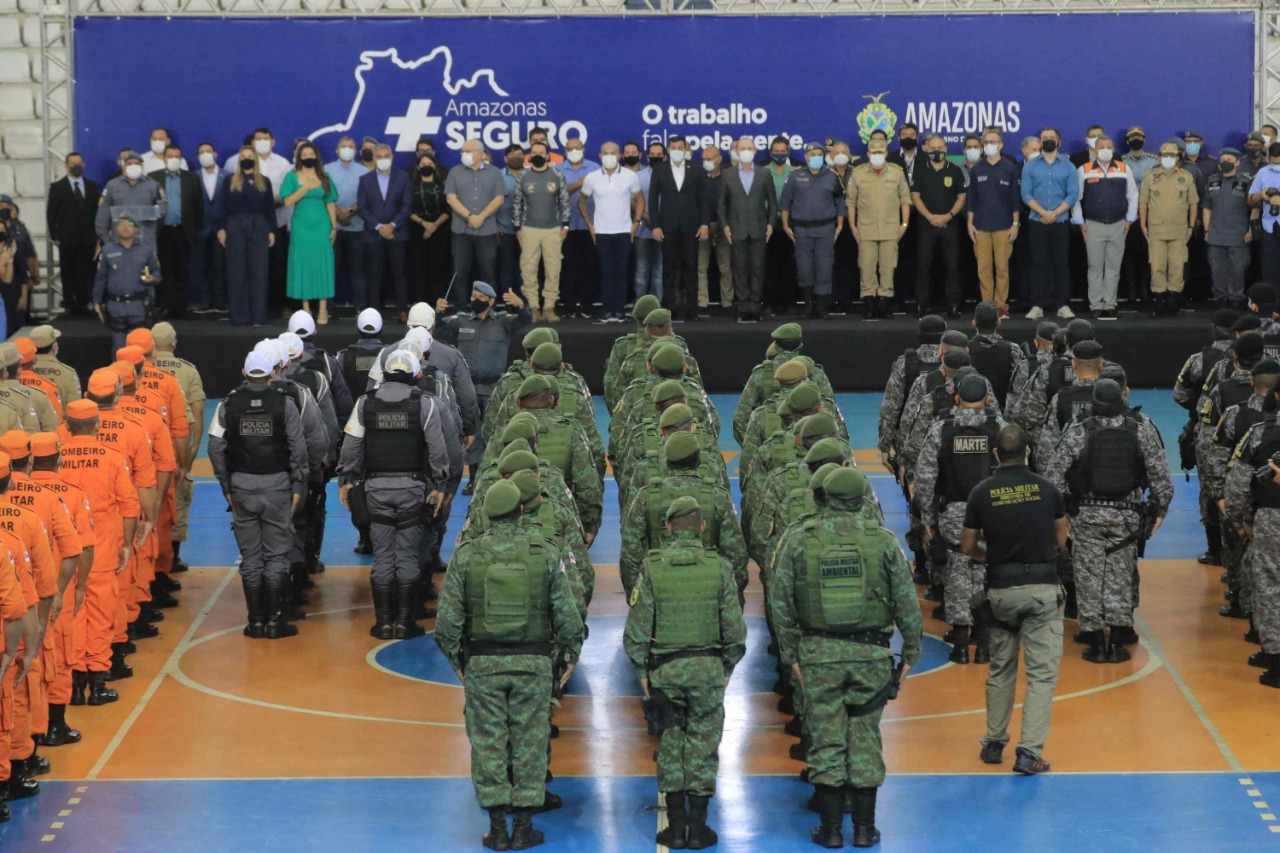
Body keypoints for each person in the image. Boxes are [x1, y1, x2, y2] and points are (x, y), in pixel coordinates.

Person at [770, 466, 922, 849]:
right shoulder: (883, 541)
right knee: (866, 738)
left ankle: (832, 830)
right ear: (862, 499)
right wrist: (910, 653)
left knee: (825, 739)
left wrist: (791, 655)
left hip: (818, 655)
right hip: (871, 655)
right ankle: (866, 829)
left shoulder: (799, 538)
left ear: (823, 495)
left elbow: (781, 600)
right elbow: (906, 601)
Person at [433, 480, 584, 850]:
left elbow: (447, 624)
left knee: (488, 744)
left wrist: (459, 662)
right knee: (530, 742)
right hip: (533, 664)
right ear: (521, 511)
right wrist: (568, 658)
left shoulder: (468, 555)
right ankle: (525, 826)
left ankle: (497, 828)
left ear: (486, 514)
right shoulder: (545, 553)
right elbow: (568, 616)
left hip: (483, 664)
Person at [623, 496, 746, 850]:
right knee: (704, 747)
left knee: (671, 745)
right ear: (702, 527)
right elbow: (734, 632)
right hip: (708, 670)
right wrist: (724, 669)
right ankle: (699, 827)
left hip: (666, 671)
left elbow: (637, 630)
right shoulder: (720, 567)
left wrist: (644, 676)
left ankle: (675, 828)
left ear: (669, 527)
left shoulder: (652, 567)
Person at [960, 424, 1069, 775]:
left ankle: (994, 741)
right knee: (1040, 676)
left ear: (995, 454)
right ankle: (1029, 753)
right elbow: (1061, 538)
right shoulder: (1048, 490)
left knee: (1001, 667)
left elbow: (967, 546)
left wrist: (990, 557)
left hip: (1000, 593)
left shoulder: (981, 493)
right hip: (1041, 592)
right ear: (1028, 452)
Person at [1045, 379, 1173, 663]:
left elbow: (1053, 477)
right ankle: (1117, 640)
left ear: (1094, 401)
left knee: (1088, 575)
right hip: (1127, 516)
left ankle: (1094, 640)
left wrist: (1061, 514)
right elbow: (1161, 478)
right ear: (1122, 398)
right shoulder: (1141, 428)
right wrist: (1159, 511)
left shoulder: (1079, 430)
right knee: (1120, 575)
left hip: (1086, 516)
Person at [338, 348, 450, 639]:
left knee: (383, 556)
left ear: (385, 373)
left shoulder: (365, 403)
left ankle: (384, 623)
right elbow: (437, 449)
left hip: (376, 489)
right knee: (408, 556)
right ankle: (405, 623)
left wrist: (347, 480)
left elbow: (351, 447)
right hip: (412, 489)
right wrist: (439, 485)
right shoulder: (424, 404)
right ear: (415, 375)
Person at [208, 351, 309, 639]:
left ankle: (255, 621)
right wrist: (298, 485)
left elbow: (215, 447)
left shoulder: (227, 405)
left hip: (240, 485)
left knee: (250, 556)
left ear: (244, 372)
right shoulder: (285, 404)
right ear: (272, 374)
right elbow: (298, 448)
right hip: (277, 485)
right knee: (277, 554)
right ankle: (276, 622)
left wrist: (226, 484)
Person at [915, 374, 1007, 663]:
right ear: (988, 400)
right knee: (986, 574)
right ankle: (983, 642)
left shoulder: (941, 430)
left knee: (956, 574)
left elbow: (926, 478)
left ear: (957, 399)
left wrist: (928, 518)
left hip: (954, 514)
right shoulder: (1001, 430)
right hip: (993, 514)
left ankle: (959, 641)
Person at [58, 400, 140, 706]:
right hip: (102, 550)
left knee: (72, 615)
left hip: (65, 552)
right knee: (102, 615)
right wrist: (127, 543)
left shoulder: (57, 457)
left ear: (67, 425)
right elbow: (130, 506)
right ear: (98, 425)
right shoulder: (112, 458)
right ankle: (98, 682)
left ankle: (75, 684)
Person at [434, 282, 531, 491]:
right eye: (473, 295)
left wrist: (521, 305)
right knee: (471, 435)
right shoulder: (461, 321)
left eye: (480, 297)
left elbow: (525, 320)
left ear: (491, 301)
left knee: (495, 434)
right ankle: (475, 479)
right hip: (467, 388)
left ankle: (495, 477)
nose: (474, 299)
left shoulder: (503, 322)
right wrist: (437, 312)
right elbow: (439, 330)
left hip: (494, 387)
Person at [1069, 135, 1137, 320]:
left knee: (1114, 267)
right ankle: (1096, 305)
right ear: (1094, 150)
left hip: (1118, 224)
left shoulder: (1124, 169)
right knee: (1095, 267)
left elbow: (1133, 195)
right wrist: (1080, 222)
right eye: (1101, 147)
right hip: (1093, 225)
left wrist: (1130, 219)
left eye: (1109, 146)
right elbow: (1076, 198)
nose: (1105, 150)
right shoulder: (1084, 170)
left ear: (1113, 149)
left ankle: (1110, 303)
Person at [846, 138, 911, 320]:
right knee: (866, 267)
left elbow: (905, 199)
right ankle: (869, 303)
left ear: (886, 153)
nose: (876, 155)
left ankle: (885, 303)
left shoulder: (897, 173)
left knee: (888, 267)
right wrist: (852, 225)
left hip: (891, 228)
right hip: (865, 229)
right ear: (867, 154)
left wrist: (904, 224)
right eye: (873, 153)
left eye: (880, 152)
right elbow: (851, 202)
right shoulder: (858, 174)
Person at [650, 135, 713, 322]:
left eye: (681, 147)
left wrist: (704, 224)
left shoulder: (695, 169)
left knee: (691, 268)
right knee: (669, 270)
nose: (677, 150)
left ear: (686, 150)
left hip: (690, 227)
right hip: (667, 226)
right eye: (674, 147)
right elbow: (653, 200)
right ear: (669, 150)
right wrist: (656, 225)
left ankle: (691, 310)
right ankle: (670, 309)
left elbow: (704, 200)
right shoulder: (660, 170)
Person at [780, 142, 846, 319]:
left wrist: (839, 225)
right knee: (805, 268)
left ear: (823, 157)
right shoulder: (795, 176)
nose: (815, 157)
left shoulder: (832, 176)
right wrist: (785, 225)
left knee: (824, 268)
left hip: (825, 229)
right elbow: (785, 202)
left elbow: (840, 202)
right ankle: (808, 306)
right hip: (801, 230)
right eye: (811, 154)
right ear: (806, 157)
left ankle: (822, 307)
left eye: (818, 154)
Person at [579, 142, 643, 323]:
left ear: (619, 155)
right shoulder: (592, 178)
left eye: (613, 153)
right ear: (599, 156)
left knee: (621, 272)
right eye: (605, 153)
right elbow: (582, 200)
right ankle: (606, 310)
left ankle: (620, 311)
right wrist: (590, 224)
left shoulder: (630, 176)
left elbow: (639, 199)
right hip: (601, 233)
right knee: (606, 272)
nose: (609, 156)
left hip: (624, 231)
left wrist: (636, 223)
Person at [1021, 128, 1079, 320]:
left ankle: (1062, 305)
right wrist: (1043, 213)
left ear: (1058, 142)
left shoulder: (1068, 166)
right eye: (1044, 138)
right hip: (1037, 221)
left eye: (1051, 138)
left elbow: (1072, 194)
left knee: (1061, 264)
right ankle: (1037, 305)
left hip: (1060, 221)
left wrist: (1054, 213)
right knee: (1038, 264)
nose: (1047, 140)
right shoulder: (1030, 166)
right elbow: (1026, 194)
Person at [716, 137, 776, 323]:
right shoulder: (728, 174)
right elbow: (721, 205)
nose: (746, 151)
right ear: (736, 151)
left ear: (755, 151)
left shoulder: (765, 174)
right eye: (742, 148)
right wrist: (725, 226)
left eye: (749, 148)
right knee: (739, 269)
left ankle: (756, 306)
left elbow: (773, 203)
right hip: (736, 229)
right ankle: (743, 307)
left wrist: (771, 224)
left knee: (758, 268)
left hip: (759, 228)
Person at [216, 146, 276, 327]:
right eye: (243, 157)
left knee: (259, 271)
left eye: (250, 156)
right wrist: (221, 228)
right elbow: (222, 207)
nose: (247, 159)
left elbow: (269, 209)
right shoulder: (229, 181)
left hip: (259, 226)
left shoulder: (264, 181)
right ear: (238, 160)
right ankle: (239, 316)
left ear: (255, 160)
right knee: (237, 271)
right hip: (235, 226)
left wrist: (271, 230)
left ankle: (258, 316)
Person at [278, 142, 338, 324]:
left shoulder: (325, 176)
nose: (308, 156)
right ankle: (305, 310)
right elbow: (287, 201)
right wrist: (306, 187)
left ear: (317, 156)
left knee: (323, 264)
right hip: (301, 227)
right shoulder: (291, 176)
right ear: (299, 157)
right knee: (303, 264)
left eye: (311, 153)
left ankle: (322, 309)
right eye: (304, 154)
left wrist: (334, 227)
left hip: (322, 226)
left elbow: (330, 201)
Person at [1138, 142, 1200, 316]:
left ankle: (1173, 299)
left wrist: (1191, 225)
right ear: (1159, 156)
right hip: (1156, 229)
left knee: (1177, 265)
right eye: (1165, 155)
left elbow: (1193, 203)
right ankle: (1160, 298)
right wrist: (1143, 224)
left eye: (1172, 156)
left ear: (1178, 158)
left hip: (1179, 229)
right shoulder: (1150, 176)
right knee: (1157, 264)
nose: (1168, 159)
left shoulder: (1186, 177)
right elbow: (1143, 202)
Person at [908, 134, 967, 316]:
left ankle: (953, 304)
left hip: (950, 225)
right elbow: (915, 196)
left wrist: (947, 216)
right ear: (926, 149)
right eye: (933, 148)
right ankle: (922, 304)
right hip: (926, 225)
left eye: (940, 148)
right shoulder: (920, 169)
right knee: (923, 266)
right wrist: (930, 217)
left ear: (946, 149)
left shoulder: (955, 170)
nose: (937, 151)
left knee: (952, 266)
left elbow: (961, 197)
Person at [445, 139, 507, 309]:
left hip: (486, 231)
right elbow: (451, 198)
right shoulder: (454, 172)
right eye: (462, 151)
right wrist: (470, 216)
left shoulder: (494, 173)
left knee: (488, 273)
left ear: (480, 153)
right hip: (460, 231)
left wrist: (481, 217)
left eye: (468, 151)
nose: (463, 155)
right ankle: (461, 309)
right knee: (460, 272)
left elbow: (499, 198)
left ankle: (488, 309)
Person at [966, 129, 1022, 317]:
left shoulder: (1010, 168)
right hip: (981, 226)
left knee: (1002, 268)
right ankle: (987, 307)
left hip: (1004, 226)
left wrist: (1015, 225)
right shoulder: (977, 169)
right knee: (983, 268)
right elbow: (971, 200)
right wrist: (970, 224)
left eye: (993, 141)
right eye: (986, 142)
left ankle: (1001, 307)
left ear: (1001, 145)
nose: (989, 144)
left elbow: (1015, 199)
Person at [513, 141, 569, 323]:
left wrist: (566, 225)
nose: (537, 155)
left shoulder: (557, 175)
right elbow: (517, 203)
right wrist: (517, 227)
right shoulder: (524, 176)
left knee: (553, 269)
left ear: (547, 155)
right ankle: (533, 308)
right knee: (528, 269)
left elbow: (564, 201)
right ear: (530, 155)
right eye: (534, 152)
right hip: (529, 229)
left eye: (541, 152)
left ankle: (549, 308)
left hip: (553, 229)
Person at [146, 144, 201, 320]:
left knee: (183, 270)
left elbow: (198, 207)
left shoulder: (191, 178)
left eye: (177, 157)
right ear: (164, 158)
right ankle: (167, 306)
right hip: (163, 231)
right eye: (170, 156)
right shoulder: (153, 178)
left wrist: (195, 229)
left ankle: (182, 307)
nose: (174, 160)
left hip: (184, 231)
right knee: (165, 270)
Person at [358, 144, 412, 321]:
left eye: (385, 156)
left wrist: (392, 225)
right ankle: (374, 313)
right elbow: (362, 207)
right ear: (374, 159)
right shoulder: (365, 179)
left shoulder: (403, 177)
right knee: (374, 274)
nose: (382, 159)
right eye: (379, 156)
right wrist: (379, 227)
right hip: (373, 234)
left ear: (392, 157)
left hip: (398, 233)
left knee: (400, 274)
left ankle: (402, 311)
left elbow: (406, 205)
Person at [93, 215, 160, 353]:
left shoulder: (146, 250)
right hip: (115, 306)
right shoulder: (107, 250)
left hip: (139, 305)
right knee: (119, 350)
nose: (125, 227)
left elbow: (157, 274)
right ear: (116, 228)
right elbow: (101, 278)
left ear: (136, 229)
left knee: (140, 350)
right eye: (122, 224)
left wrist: (152, 279)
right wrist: (96, 301)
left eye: (129, 224)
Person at [45, 152, 100, 316]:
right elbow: (51, 213)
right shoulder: (57, 187)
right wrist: (56, 236)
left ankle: (84, 301)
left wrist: (98, 236)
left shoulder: (92, 186)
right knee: (68, 270)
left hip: (89, 238)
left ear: (83, 165)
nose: (76, 166)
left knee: (87, 271)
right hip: (67, 238)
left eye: (79, 163)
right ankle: (69, 302)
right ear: (66, 166)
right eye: (73, 163)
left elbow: (97, 212)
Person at [1204, 148, 1255, 308]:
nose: (1225, 162)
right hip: (1216, 233)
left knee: (1238, 268)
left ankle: (1236, 298)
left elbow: (1254, 207)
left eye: (1229, 159)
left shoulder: (1246, 182)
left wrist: (1251, 230)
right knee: (1217, 268)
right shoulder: (1212, 181)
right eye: (1223, 159)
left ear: (1237, 162)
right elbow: (1207, 207)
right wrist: (1206, 230)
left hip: (1238, 234)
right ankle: (1220, 297)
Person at [326, 136, 368, 311]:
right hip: (333, 228)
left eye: (351, 146)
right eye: (344, 146)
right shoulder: (326, 170)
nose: (347, 149)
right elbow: (324, 195)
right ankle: (326, 307)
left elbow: (366, 198)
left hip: (357, 226)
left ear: (356, 150)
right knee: (330, 269)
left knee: (358, 270)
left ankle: (360, 307)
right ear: (337, 150)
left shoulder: (364, 171)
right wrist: (337, 212)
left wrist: (349, 211)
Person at [1120, 127, 1160, 304]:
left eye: (1139, 137)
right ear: (1128, 142)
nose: (1136, 140)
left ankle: (1144, 290)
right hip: (1128, 213)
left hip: (1150, 213)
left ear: (1144, 140)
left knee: (1146, 253)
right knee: (1128, 253)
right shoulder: (1120, 161)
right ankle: (1130, 291)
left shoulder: (1153, 162)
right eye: (1133, 138)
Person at [95, 151, 166, 249]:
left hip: (146, 244)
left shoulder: (153, 185)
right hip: (118, 243)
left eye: (137, 163)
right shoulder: (112, 185)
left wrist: (144, 213)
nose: (133, 166)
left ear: (142, 166)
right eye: (129, 164)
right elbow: (103, 215)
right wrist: (107, 241)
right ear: (124, 166)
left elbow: (163, 208)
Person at [408, 151, 452, 306]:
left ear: (434, 166)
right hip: (417, 231)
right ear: (418, 167)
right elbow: (407, 209)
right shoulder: (411, 187)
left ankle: (438, 303)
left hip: (440, 231)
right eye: (423, 164)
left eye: (429, 164)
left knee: (438, 268)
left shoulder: (444, 186)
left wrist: (433, 226)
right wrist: (424, 224)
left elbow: (449, 209)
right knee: (419, 268)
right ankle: (419, 303)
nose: (426, 166)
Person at [189, 142, 227, 314]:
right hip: (200, 228)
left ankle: (220, 301)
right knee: (201, 265)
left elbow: (229, 205)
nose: (205, 154)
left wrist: (224, 227)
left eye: (208, 151)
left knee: (221, 266)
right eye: (201, 152)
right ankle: (204, 301)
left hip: (221, 229)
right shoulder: (193, 177)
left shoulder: (227, 176)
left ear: (215, 154)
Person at [697, 145, 734, 315]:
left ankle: (727, 302)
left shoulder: (728, 177)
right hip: (702, 227)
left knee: (725, 266)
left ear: (719, 159)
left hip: (724, 226)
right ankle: (702, 302)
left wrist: (723, 224)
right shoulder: (698, 177)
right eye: (704, 159)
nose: (706, 162)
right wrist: (704, 223)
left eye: (710, 159)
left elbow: (731, 203)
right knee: (701, 266)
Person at [28, 325, 79, 408]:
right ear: (55, 346)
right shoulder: (68, 373)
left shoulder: (21, 372)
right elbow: (75, 407)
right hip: (58, 420)